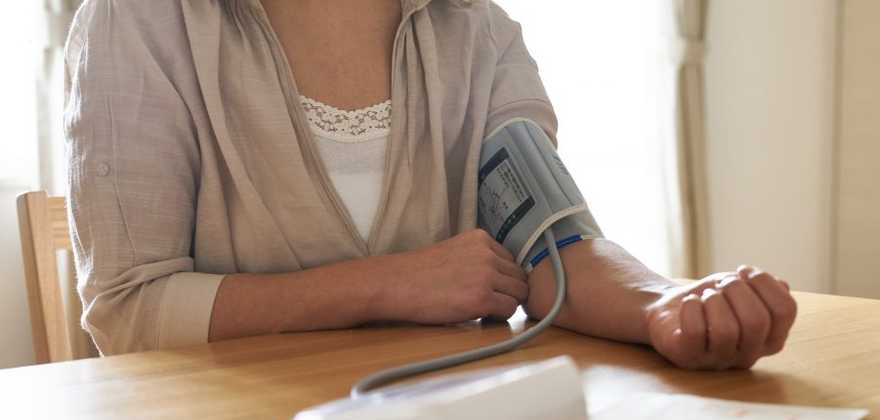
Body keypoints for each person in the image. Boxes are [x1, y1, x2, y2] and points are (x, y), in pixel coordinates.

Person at [65, 0, 796, 371]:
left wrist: (665, 305)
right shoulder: (138, 20)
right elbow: (130, 309)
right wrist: (383, 285)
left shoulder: (474, 28)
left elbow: (554, 248)